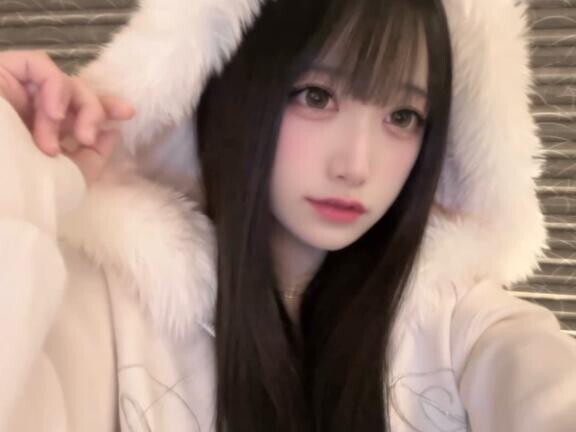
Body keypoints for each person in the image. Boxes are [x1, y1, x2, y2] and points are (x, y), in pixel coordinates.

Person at [0, 0, 575, 431]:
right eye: (317, 96)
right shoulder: (107, 307)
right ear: (232, 87)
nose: (357, 166)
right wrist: (18, 170)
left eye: (402, 117)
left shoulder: (459, 325)